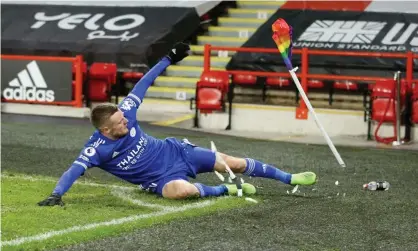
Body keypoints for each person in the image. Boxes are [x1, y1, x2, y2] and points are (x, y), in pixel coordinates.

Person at [38, 42, 317, 206]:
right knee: (180, 192)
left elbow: (144, 83)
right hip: (159, 179)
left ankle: (288, 178)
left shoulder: (126, 112)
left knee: (233, 163)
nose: (126, 120)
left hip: (176, 152)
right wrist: (56, 194)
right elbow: (73, 170)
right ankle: (227, 190)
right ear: (105, 131)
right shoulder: (96, 149)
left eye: (124, 117)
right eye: (120, 122)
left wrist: (168, 59)